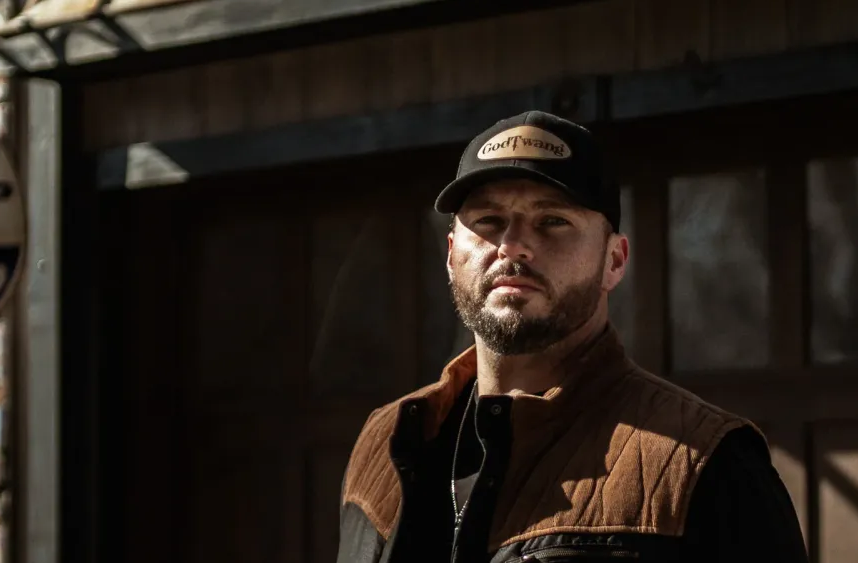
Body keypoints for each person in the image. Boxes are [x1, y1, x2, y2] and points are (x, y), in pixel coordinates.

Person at [336, 111, 809, 563]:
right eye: (488, 222)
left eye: (552, 221)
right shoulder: (387, 438)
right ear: (450, 254)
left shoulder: (705, 461)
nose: (512, 245)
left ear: (614, 261)